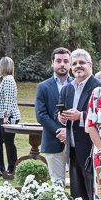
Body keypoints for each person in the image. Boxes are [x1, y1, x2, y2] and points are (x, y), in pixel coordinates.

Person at [59, 49, 101, 200]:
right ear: (70, 67)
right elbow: (61, 112)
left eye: (82, 63)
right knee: (77, 195)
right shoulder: (67, 89)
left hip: (92, 147)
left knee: (93, 193)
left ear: (90, 65)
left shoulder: (99, 88)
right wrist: (62, 118)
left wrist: (81, 117)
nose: (78, 66)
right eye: (75, 63)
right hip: (72, 147)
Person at [35, 48, 72, 185]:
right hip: (52, 140)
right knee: (57, 183)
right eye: (58, 61)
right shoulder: (43, 87)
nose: (62, 64)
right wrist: (60, 132)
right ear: (52, 63)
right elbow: (41, 115)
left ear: (70, 63)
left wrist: (69, 132)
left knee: (78, 183)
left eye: (65, 61)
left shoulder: (77, 85)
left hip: (75, 141)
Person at [0, 57, 21, 177]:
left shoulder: (9, 80)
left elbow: (8, 100)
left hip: (8, 116)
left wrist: (6, 116)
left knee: (8, 142)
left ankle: (12, 167)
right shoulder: (4, 81)